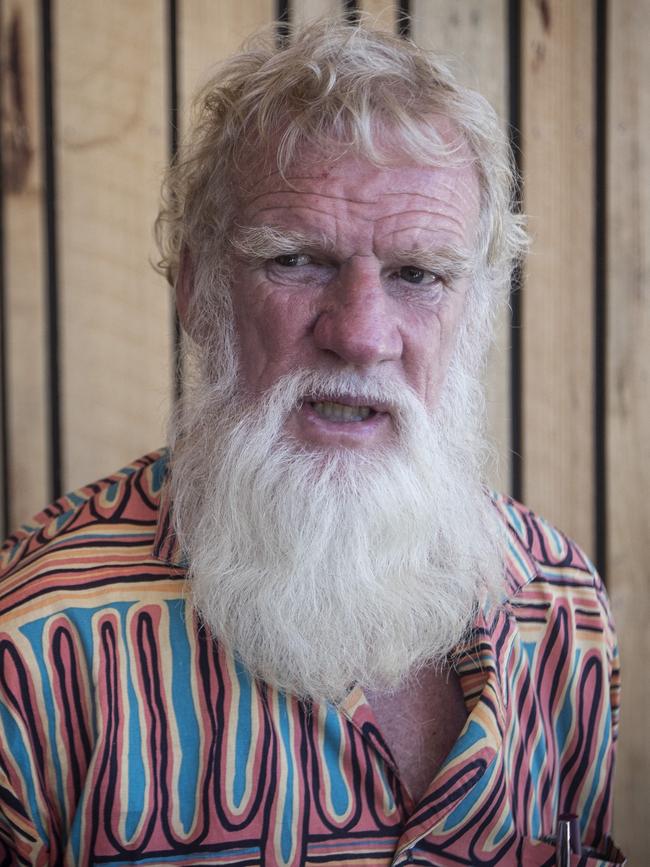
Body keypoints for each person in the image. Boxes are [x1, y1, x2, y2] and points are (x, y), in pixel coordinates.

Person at [0, 21, 623, 867]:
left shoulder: (565, 603)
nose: (362, 335)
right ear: (198, 287)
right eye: (296, 260)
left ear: (476, 310)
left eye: (418, 274)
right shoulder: (31, 645)